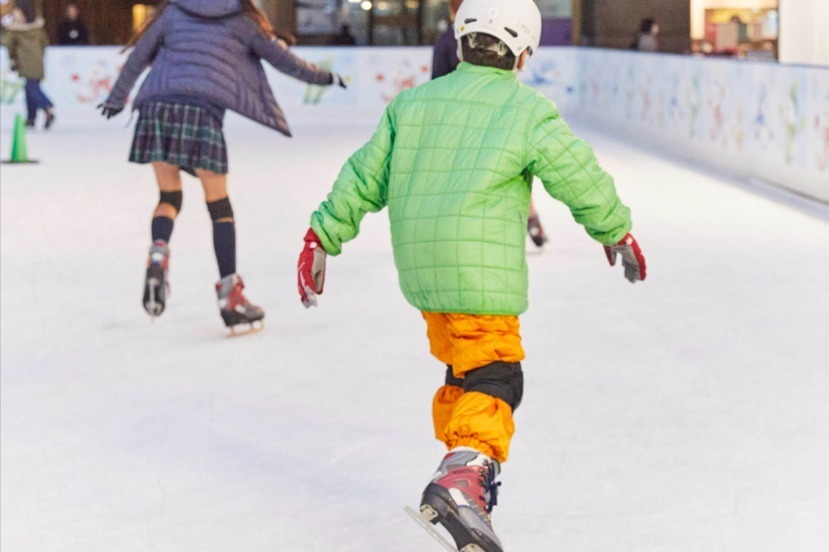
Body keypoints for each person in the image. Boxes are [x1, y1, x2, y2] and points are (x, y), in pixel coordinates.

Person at [297, 0, 646, 549]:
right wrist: (615, 230)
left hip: (423, 272)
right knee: (498, 374)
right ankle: (463, 477)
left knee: (465, 372)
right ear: (523, 54)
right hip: (479, 276)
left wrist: (321, 235)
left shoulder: (411, 105)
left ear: (460, 40)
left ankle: (466, 477)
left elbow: (363, 176)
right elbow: (578, 175)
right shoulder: (527, 110)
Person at [99, 0, 344, 331]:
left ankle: (158, 254)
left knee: (169, 197)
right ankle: (230, 296)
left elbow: (139, 56)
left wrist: (116, 98)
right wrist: (327, 77)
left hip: (157, 107)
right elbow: (285, 62)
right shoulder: (243, 20)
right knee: (219, 206)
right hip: (202, 113)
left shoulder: (173, 11)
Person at [432, 0, 548, 249]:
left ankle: (467, 226)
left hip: (461, 119)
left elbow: (437, 83)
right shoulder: (492, 32)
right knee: (511, 167)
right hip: (496, 115)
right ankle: (530, 218)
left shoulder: (447, 40)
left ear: (453, 11)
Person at [6, 7, 55, 129]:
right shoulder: (37, 30)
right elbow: (44, 43)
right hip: (37, 62)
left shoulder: (15, 31)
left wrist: (14, 60)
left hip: (26, 63)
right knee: (30, 88)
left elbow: (10, 46)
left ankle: (47, 108)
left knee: (31, 88)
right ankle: (31, 117)